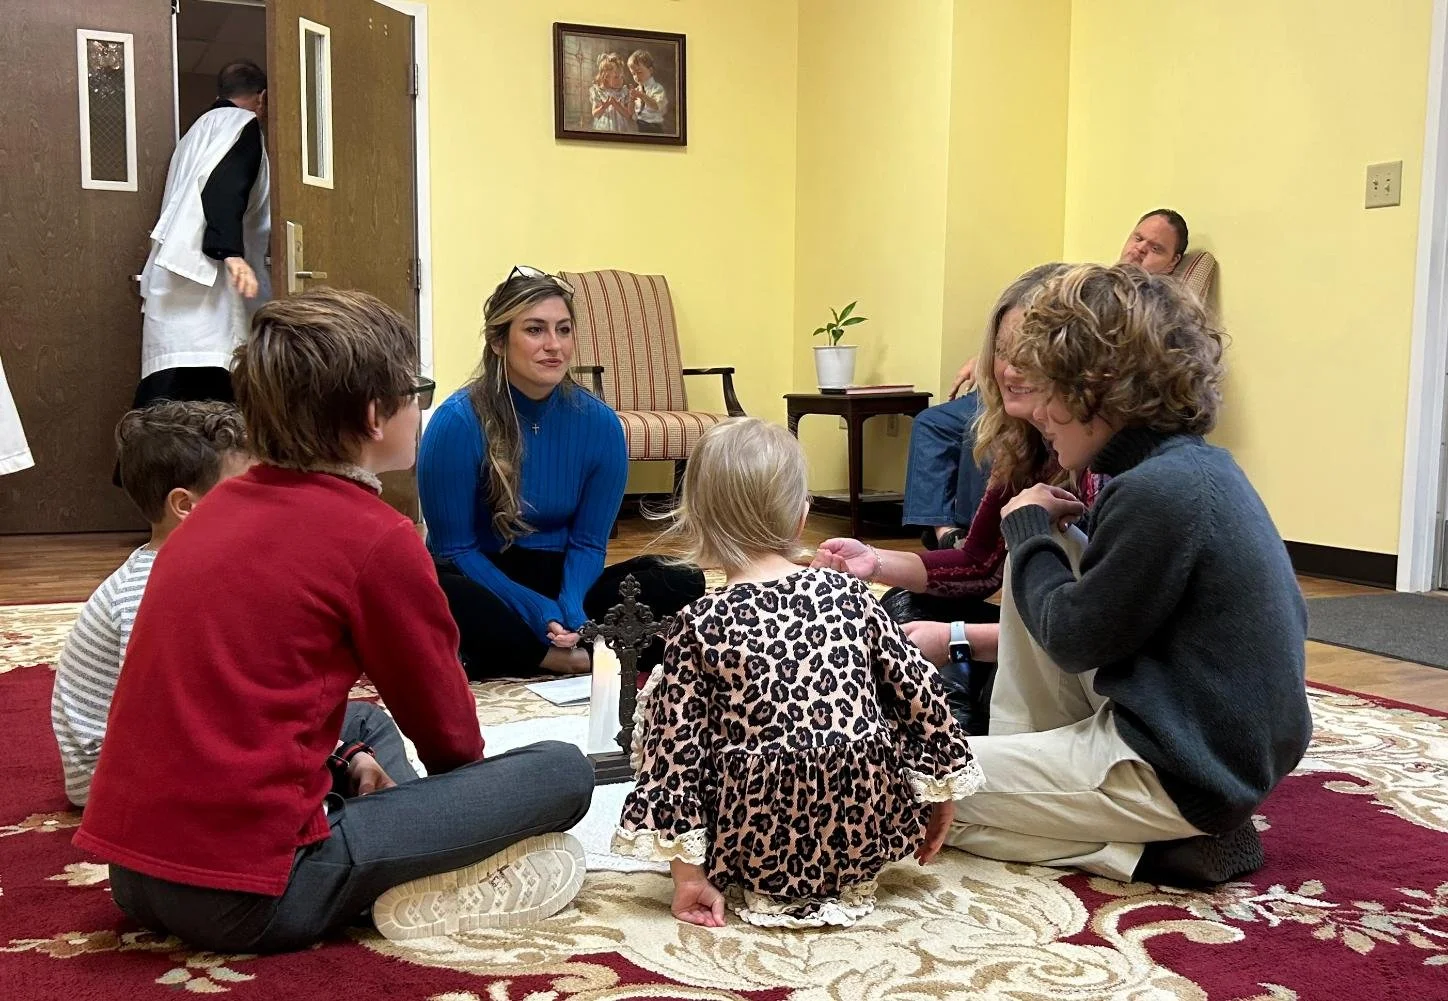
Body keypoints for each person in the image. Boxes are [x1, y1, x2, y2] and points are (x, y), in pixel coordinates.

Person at [74, 288, 595, 952]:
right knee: (561, 767)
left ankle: (387, 833)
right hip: (254, 895)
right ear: (378, 415)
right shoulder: (375, 534)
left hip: (134, 872)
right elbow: (450, 736)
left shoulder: (213, 510)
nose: (423, 407)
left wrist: (349, 759)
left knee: (365, 723)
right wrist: (456, 810)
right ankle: (436, 871)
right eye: (418, 391)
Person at [946, 263, 1309, 886]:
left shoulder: (1160, 492)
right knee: (1048, 542)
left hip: (1180, 769)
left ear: (1100, 385)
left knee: (906, 786)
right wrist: (1036, 533)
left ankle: (1152, 851)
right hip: (1201, 745)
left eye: (1046, 388)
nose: (1033, 410)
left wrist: (1028, 532)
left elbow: (1073, 639)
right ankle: (1038, 762)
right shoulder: (1191, 470)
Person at [615, 417, 980, 928]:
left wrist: (688, 878)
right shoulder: (853, 595)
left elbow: (674, 755)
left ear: (696, 521)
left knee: (666, 714)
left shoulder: (698, 623)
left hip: (754, 841)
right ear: (802, 517)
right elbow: (921, 698)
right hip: (864, 825)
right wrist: (941, 794)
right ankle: (846, 873)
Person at [815, 264, 1099, 734]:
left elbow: (1088, 630)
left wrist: (957, 641)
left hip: (1084, 672)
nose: (1009, 369)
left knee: (925, 641)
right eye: (1003, 352)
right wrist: (873, 562)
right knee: (901, 609)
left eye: (1029, 354)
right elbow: (977, 563)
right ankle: (933, 738)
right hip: (1049, 641)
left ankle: (947, 750)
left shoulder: (1113, 469)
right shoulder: (1026, 442)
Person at [419, 266, 704, 680]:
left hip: (564, 575)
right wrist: (534, 609)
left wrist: (570, 606)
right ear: (500, 341)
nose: (554, 346)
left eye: (564, 330)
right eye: (535, 330)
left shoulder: (601, 425)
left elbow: (590, 541)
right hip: (482, 577)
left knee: (683, 579)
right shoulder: (456, 423)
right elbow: (455, 550)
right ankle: (570, 658)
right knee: (425, 589)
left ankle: (503, 653)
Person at [903, 209, 1189, 548]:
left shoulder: (1149, 312)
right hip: (1014, 389)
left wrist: (1026, 526)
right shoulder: (1085, 283)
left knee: (980, 428)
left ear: (1173, 262)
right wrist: (989, 357)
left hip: (1047, 393)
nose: (1140, 249)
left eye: (1156, 248)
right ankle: (947, 532)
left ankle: (969, 533)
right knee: (932, 421)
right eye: (1138, 238)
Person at [52, 401, 252, 808]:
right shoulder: (152, 589)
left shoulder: (189, 568)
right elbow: (164, 712)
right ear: (185, 505)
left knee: (359, 723)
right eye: (245, 490)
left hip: (146, 752)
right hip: (115, 774)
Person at [119, 59, 272, 476]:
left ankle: (161, 506)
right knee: (210, 405)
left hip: (177, 282)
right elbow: (225, 185)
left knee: (167, 403)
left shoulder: (194, 133)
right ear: (261, 99)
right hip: (208, 283)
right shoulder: (241, 126)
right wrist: (230, 252)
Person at [590, 53, 636, 132]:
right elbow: (595, 114)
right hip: (603, 127)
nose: (620, 80)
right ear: (606, 77)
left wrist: (616, 104)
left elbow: (628, 115)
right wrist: (604, 106)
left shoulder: (623, 92)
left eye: (621, 77)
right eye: (616, 77)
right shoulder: (599, 92)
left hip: (620, 128)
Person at [628, 49, 669, 134]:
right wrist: (631, 100)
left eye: (639, 72)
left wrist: (642, 95)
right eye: (633, 74)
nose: (636, 76)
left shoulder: (657, 88)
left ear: (650, 70)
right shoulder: (637, 90)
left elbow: (656, 106)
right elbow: (631, 113)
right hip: (639, 125)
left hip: (653, 126)